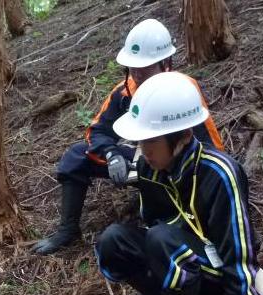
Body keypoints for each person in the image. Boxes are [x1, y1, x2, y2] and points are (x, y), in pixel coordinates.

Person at [94, 72, 262, 295]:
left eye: (152, 141)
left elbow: (239, 253)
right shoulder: (149, 167)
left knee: (161, 239)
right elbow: (152, 224)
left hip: (216, 287)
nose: (144, 150)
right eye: (140, 141)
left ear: (183, 135)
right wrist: (156, 292)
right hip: (182, 266)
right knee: (113, 240)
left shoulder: (219, 173)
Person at [32, 18, 224, 256]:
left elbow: (210, 143)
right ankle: (68, 229)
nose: (137, 74)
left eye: (144, 68)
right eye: (133, 68)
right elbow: (98, 131)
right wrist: (112, 155)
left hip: (178, 165)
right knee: (76, 156)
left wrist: (212, 180)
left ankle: (174, 228)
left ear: (165, 63)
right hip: (142, 159)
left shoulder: (183, 90)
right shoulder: (124, 92)